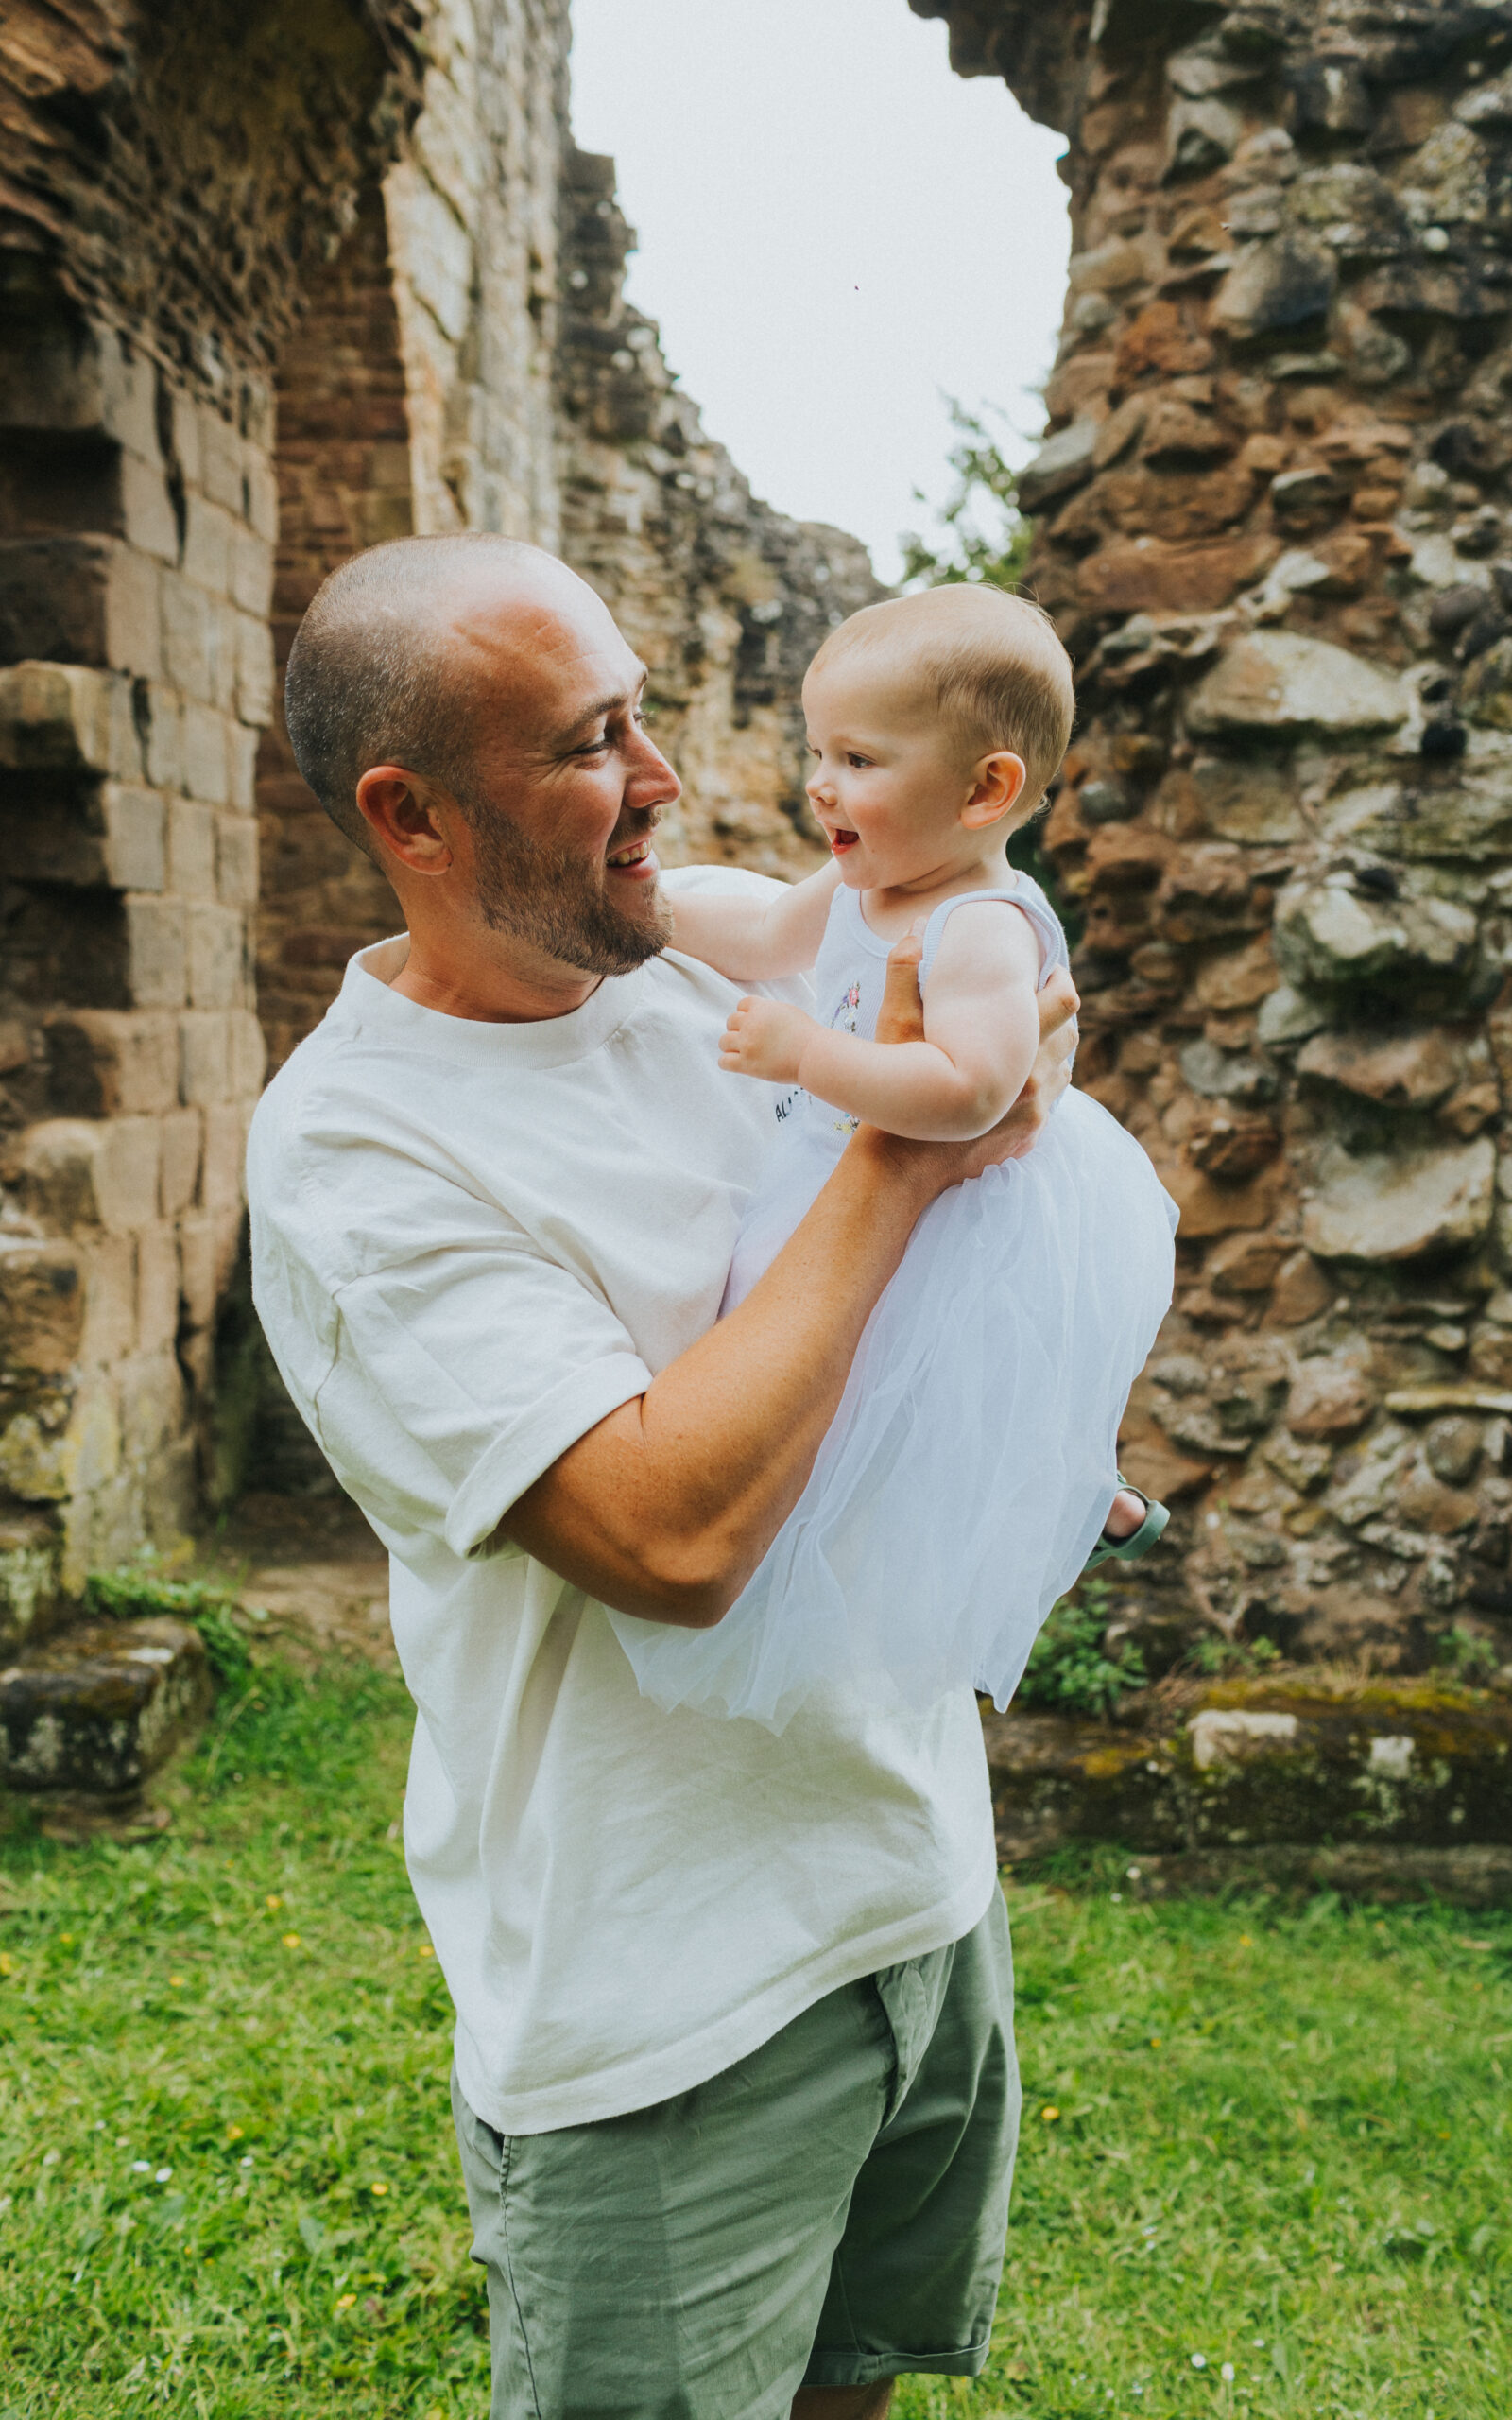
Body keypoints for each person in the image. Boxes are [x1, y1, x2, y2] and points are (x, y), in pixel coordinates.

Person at [247, 531, 1083, 2420]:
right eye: (588, 740)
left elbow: (867, 1329)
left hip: (912, 1883)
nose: (663, 782)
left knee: (850, 2387)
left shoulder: (659, 964)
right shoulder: (356, 1149)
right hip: (664, 1994)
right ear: (415, 812)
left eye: (640, 712)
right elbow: (669, 1530)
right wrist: (911, 1145)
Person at [610, 585, 1176, 1731]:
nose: (822, 783)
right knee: (849, 1364)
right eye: (819, 750)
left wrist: (807, 1051)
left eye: (861, 758)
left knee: (927, 1385)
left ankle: (1075, 1496)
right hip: (842, 1157)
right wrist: (642, 910)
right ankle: (1078, 1490)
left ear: (986, 789)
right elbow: (770, 931)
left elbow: (972, 1093)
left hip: (956, 1197)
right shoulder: (873, 881)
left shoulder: (977, 927)